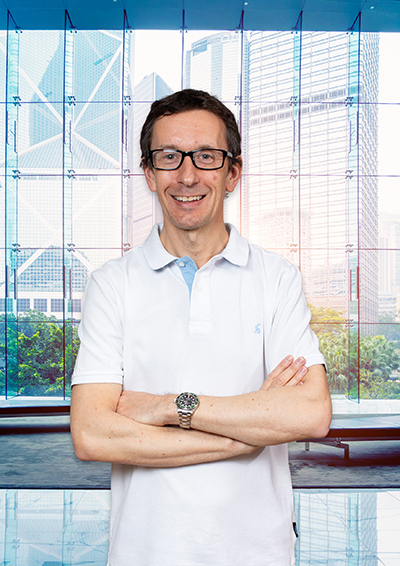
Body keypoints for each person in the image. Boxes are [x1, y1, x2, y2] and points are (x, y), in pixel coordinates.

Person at [71, 88, 332, 566]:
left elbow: (309, 413)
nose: (187, 175)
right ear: (149, 173)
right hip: (144, 552)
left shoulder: (277, 278)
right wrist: (244, 434)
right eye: (169, 157)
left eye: (206, 156)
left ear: (232, 173)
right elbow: (92, 434)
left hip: (259, 554)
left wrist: (167, 406)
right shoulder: (112, 284)